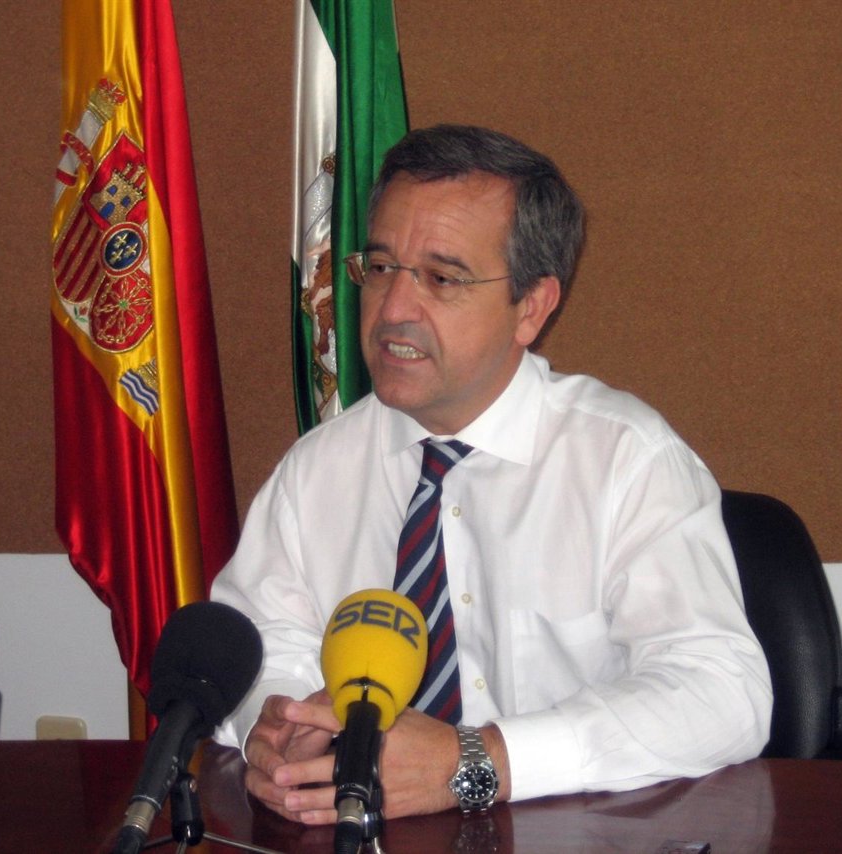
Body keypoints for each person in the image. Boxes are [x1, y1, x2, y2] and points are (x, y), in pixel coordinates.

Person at [211, 124, 772, 825]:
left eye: (442, 278)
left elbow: (722, 695)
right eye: (380, 268)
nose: (393, 310)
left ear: (531, 307)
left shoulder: (624, 460)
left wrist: (478, 762)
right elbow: (258, 646)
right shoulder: (317, 471)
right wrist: (281, 722)